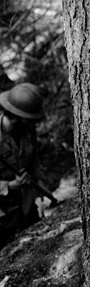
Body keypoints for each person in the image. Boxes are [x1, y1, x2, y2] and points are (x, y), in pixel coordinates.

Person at [0, 82, 45, 247]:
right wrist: (10, 186)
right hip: (3, 217)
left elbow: (34, 162)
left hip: (27, 208)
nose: (32, 126)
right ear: (15, 118)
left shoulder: (26, 131)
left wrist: (40, 194)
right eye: (28, 122)